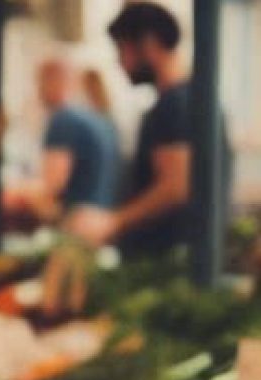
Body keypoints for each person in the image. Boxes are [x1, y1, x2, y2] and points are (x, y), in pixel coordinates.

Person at [72, 1, 226, 255]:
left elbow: (177, 186)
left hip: (167, 263)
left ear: (149, 44)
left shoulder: (175, 104)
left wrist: (113, 221)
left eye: (123, 49)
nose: (119, 63)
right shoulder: (195, 98)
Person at [31, 54, 121, 223]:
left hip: (75, 228)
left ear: (53, 79)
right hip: (102, 223)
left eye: (39, 81)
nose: (38, 91)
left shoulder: (63, 119)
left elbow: (51, 187)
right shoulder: (101, 117)